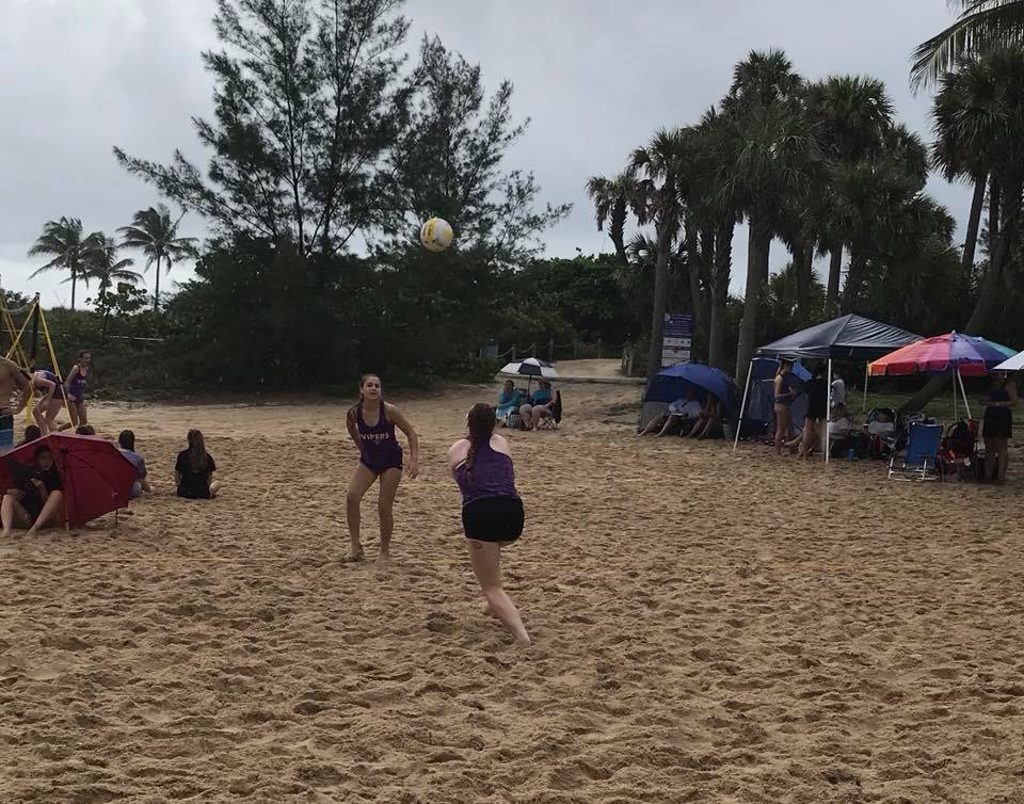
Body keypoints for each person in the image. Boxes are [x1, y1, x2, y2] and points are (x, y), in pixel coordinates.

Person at [448, 402, 530, 645]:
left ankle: (521, 636)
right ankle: (493, 606)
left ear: (468, 423)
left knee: (491, 587)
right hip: (513, 516)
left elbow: (462, 483)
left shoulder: (456, 449)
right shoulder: (502, 443)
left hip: (481, 515)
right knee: (491, 559)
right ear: (493, 424)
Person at [346, 374, 419, 563]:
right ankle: (355, 547)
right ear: (361, 389)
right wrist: (361, 447)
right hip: (369, 460)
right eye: (369, 385)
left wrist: (414, 460)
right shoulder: (354, 413)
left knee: (383, 506)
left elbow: (411, 433)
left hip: (391, 461)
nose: (373, 388)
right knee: (352, 497)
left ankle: (384, 552)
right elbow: (351, 428)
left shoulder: (389, 410)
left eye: (377, 386)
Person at [1, 445, 64, 537]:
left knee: (57, 493)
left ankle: (34, 529)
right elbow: (19, 493)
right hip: (28, 516)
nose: (47, 461)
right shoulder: (28, 473)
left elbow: (50, 506)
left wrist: (42, 490)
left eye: (50, 458)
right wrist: (11, 491)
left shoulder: (54, 477)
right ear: (37, 460)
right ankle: (6, 530)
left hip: (46, 519)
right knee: (7, 497)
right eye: (43, 458)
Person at [981, 372, 1018, 484]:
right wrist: (985, 400)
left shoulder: (1009, 384)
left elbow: (1014, 401)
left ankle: (1000, 476)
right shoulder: (992, 384)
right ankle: (988, 475)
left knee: (1001, 445)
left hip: (1002, 416)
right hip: (990, 415)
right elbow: (988, 398)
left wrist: (997, 404)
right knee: (989, 445)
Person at [175, 429, 220, 500]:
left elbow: (177, 476)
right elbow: (209, 480)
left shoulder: (182, 455)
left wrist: (180, 486)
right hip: (202, 493)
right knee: (217, 483)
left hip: (185, 492)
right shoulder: (207, 457)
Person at [638, 388, 703, 437]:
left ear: (694, 394)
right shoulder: (681, 400)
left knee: (672, 417)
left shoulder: (696, 404)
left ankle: (661, 433)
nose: (689, 394)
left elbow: (697, 413)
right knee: (659, 417)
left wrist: (688, 414)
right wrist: (675, 409)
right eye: (688, 393)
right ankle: (644, 432)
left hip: (684, 419)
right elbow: (671, 405)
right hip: (676, 414)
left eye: (691, 393)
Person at [0, 357, 31, 454]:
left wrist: (18, 409)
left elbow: (28, 386)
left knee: (5, 453)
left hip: (3, 413)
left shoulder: (8, 364)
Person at [797, 365, 828, 459]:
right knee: (823, 432)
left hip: (812, 406)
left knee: (807, 430)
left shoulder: (809, 383)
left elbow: (806, 396)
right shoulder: (826, 383)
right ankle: (824, 455)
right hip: (823, 407)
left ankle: (804, 454)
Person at [30, 367, 66, 435]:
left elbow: (53, 385)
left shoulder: (37, 380)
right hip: (55, 391)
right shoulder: (35, 377)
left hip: (58, 392)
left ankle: (55, 437)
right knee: (36, 411)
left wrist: (48, 401)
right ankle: (43, 432)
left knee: (49, 419)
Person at [773, 359, 798, 455]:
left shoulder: (785, 378)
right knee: (781, 429)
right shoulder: (779, 378)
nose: (791, 369)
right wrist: (789, 394)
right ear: (786, 366)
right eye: (790, 367)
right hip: (781, 405)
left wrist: (792, 393)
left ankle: (791, 448)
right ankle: (777, 450)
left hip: (785, 405)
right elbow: (777, 395)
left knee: (790, 428)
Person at [118, 429, 152, 498]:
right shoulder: (137, 458)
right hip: (132, 491)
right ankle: (149, 490)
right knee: (140, 478)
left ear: (119, 441)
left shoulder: (114, 454)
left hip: (116, 489)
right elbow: (142, 475)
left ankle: (149, 489)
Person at [64, 351, 91, 427]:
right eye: (86, 358)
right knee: (74, 422)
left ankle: (80, 434)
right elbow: (67, 383)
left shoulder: (86, 368)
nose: (88, 360)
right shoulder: (76, 368)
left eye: (89, 358)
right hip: (72, 397)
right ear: (80, 359)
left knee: (84, 421)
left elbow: (82, 383)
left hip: (79, 396)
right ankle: (58, 430)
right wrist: (68, 395)